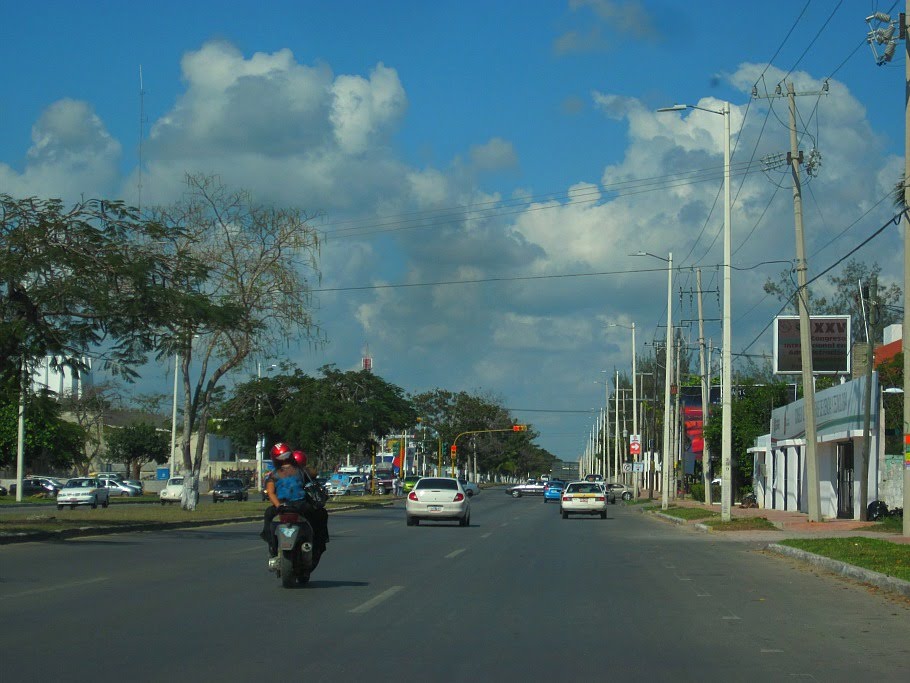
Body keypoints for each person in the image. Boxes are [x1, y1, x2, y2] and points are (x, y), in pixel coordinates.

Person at [259, 443, 329, 571]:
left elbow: (270, 492)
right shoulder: (301, 471)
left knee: (269, 514)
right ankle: (318, 544)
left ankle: (272, 548)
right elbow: (314, 475)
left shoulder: (273, 475)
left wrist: (278, 506)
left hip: (282, 507)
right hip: (300, 506)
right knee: (320, 514)